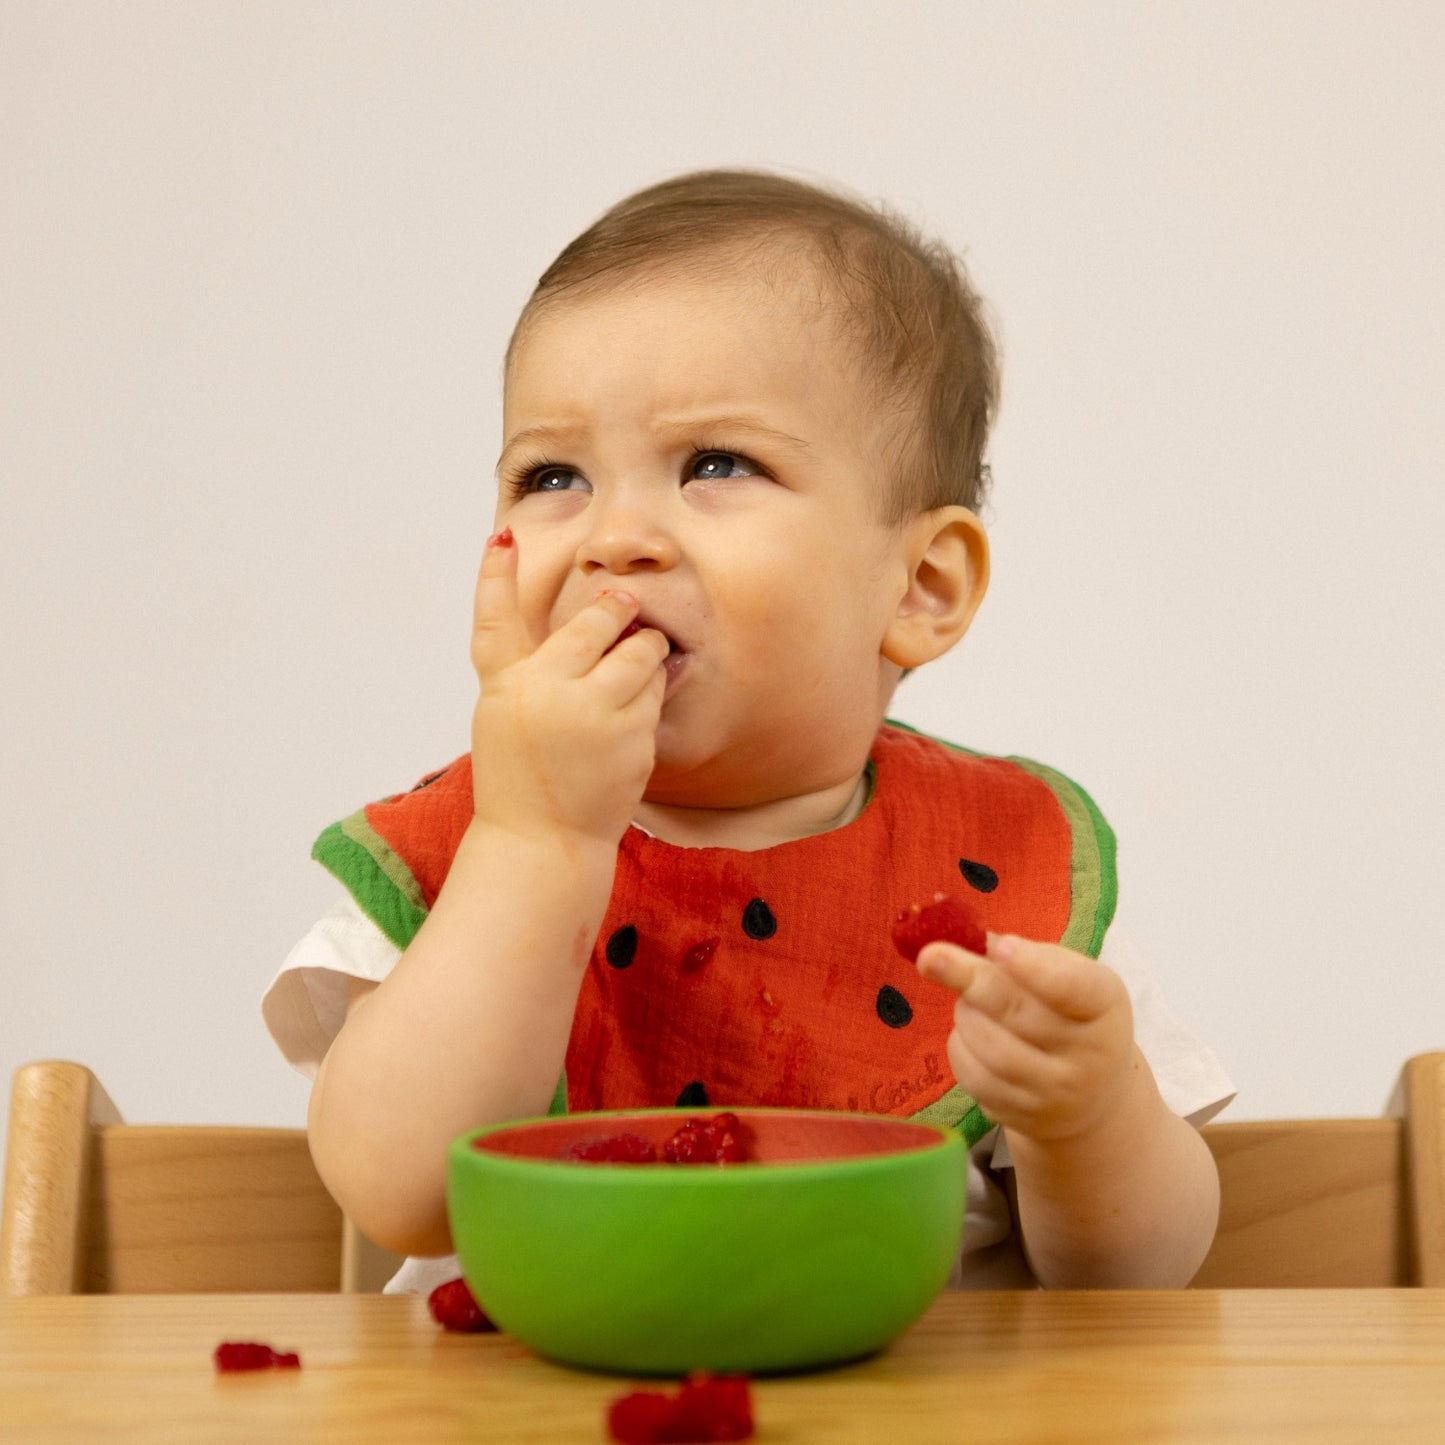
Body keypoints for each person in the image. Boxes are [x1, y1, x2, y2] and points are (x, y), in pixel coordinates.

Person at [263, 169, 1233, 1293]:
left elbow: (1136, 1279)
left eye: (714, 464)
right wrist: (536, 844)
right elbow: (399, 1189)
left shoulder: (1009, 868)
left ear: (920, 583)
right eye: (552, 475)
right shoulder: (466, 846)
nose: (613, 537)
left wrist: (1089, 1112)